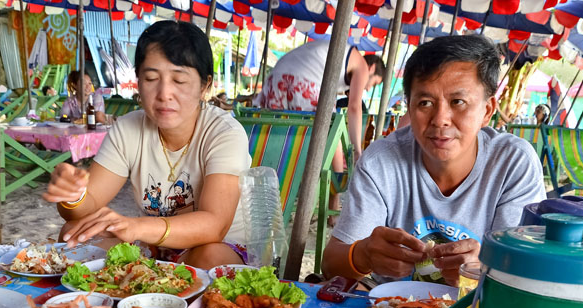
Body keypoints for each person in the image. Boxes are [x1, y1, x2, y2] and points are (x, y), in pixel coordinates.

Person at [321, 34, 546, 286]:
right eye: (425, 102)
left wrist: (481, 268)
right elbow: (330, 264)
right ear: (409, 106)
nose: (440, 119)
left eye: (458, 102)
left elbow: (527, 273)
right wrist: (362, 255)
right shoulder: (381, 162)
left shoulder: (512, 163)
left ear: (487, 111)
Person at [42, 20, 251, 269]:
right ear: (138, 82)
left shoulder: (224, 133)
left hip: (218, 246)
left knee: (210, 257)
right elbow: (86, 207)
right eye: (151, 78)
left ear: (205, 86)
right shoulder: (128, 129)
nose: (164, 93)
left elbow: (215, 225)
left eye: (179, 81)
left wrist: (136, 226)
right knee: (74, 233)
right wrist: (73, 196)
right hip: (155, 246)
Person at [253, 40, 385, 161]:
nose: (368, 88)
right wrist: (356, 151)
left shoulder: (347, 61)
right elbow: (355, 107)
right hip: (303, 80)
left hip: (276, 78)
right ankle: (337, 181)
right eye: (373, 83)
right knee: (332, 128)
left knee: (278, 133)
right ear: (371, 68)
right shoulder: (362, 65)